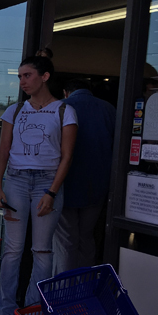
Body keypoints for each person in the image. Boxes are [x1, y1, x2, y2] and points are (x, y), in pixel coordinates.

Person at [0, 53, 78, 315]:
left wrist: (52, 192)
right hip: (16, 180)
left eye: (27, 75)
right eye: (20, 76)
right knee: (12, 250)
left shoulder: (64, 110)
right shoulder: (15, 110)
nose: (22, 81)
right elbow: (3, 150)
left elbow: (67, 156)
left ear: (45, 77)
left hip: (47, 181)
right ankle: (6, 313)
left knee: (42, 250)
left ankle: (31, 314)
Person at [53, 79, 114, 273]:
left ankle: (65, 286)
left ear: (66, 91)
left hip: (65, 184)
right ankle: (85, 283)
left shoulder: (60, 107)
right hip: (98, 185)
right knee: (87, 237)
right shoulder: (108, 109)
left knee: (66, 240)